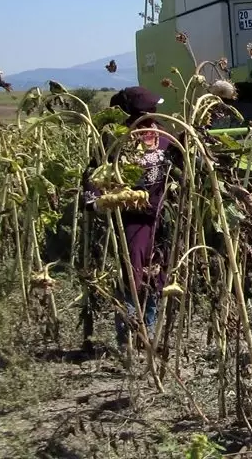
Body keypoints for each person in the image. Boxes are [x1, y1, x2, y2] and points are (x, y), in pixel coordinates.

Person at [81, 86, 174, 352]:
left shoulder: (164, 136)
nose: (153, 117)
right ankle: (129, 337)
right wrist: (94, 198)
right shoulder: (115, 140)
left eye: (155, 112)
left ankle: (150, 330)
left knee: (156, 275)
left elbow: (178, 165)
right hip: (129, 220)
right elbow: (94, 173)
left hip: (158, 215)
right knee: (131, 277)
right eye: (148, 113)